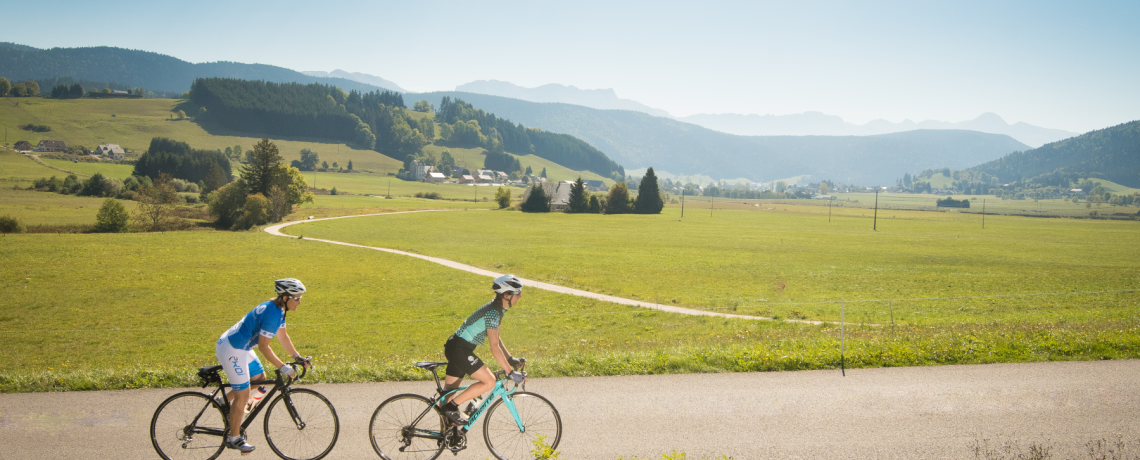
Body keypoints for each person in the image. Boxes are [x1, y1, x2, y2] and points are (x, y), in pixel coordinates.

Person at [214, 278, 311, 454]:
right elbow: (264, 347)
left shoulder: (278, 310)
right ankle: (234, 438)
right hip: (233, 349)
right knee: (243, 395)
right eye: (296, 298)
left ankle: (222, 401)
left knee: (259, 380)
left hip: (240, 346)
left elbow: (283, 336)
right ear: (285, 297)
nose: (299, 301)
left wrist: (297, 357)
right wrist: (283, 367)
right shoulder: (273, 314)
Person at [440, 274, 527, 426]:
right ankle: (452, 407)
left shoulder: (497, 310)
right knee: (489, 382)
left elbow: (496, 338)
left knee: (447, 395)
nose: (520, 295)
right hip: (460, 349)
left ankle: (445, 436)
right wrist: (510, 372)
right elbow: (494, 347)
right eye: (517, 292)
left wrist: (509, 359)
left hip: (456, 347)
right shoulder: (493, 312)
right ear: (507, 295)